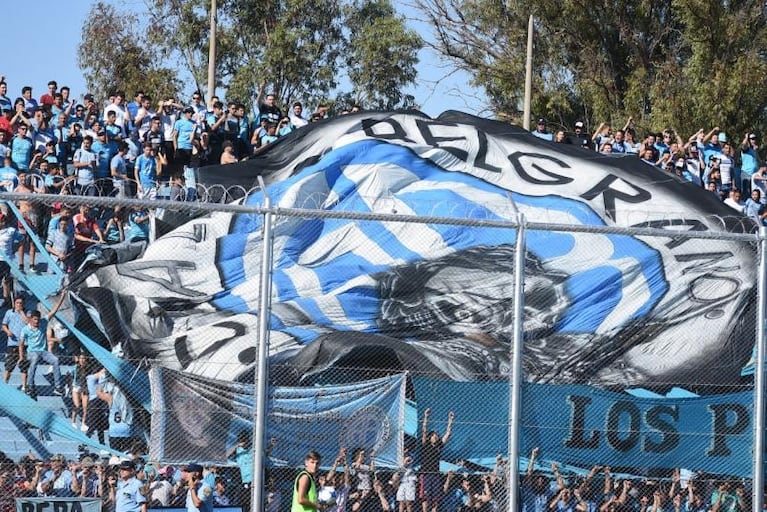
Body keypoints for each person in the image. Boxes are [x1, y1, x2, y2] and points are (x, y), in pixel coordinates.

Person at [20, 293, 66, 399]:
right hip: (31, 352)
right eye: (35, 320)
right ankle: (30, 386)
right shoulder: (25, 329)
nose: (37, 322)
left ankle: (58, 387)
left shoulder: (43, 322)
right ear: (31, 319)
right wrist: (21, 357)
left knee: (55, 360)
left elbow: (54, 311)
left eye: (38, 320)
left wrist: (62, 296)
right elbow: (21, 344)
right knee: (34, 359)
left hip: (43, 351)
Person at [420, 409, 454, 512]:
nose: (435, 437)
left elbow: (448, 434)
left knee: (435, 499)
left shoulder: (439, 446)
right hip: (425, 474)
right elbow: (424, 429)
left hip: (435, 474)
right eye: (433, 436)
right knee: (425, 499)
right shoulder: (425, 444)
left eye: (436, 436)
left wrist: (450, 420)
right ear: (430, 438)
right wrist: (426, 416)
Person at [2, 297, 29, 392]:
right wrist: (8, 331)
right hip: (12, 343)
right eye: (17, 303)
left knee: (24, 366)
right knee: (9, 365)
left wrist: (21, 312)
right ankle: (5, 384)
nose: (19, 305)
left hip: (24, 343)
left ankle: (24, 386)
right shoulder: (9, 312)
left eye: (21, 303)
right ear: (14, 303)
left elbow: (28, 323)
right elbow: (4, 325)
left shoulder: (27, 313)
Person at [226, 430, 254, 512]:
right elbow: (227, 455)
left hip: (255, 479)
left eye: (245, 440)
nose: (244, 442)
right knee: (243, 503)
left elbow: (266, 453)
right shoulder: (238, 450)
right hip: (245, 481)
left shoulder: (253, 449)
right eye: (241, 440)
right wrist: (238, 445)